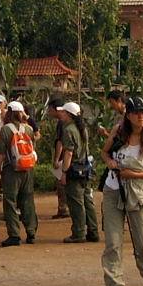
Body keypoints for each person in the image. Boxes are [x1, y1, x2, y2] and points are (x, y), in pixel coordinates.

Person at [99, 96, 143, 286]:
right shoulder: (118, 132)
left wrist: (134, 175)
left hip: (139, 193)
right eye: (136, 112)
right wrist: (110, 163)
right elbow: (105, 153)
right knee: (113, 242)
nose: (141, 116)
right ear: (128, 115)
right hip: (113, 189)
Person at [58, 101, 99, 243]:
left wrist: (64, 172)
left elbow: (68, 153)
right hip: (85, 168)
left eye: (63, 112)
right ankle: (93, 230)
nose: (61, 114)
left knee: (76, 203)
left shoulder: (68, 130)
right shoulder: (82, 128)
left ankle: (79, 232)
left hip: (74, 169)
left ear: (69, 114)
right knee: (87, 200)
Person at [0, 101, 37, 246]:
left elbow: (1, 153)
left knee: (10, 201)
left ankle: (14, 234)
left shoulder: (5, 129)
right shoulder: (28, 129)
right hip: (28, 169)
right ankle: (31, 232)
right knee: (27, 200)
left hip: (12, 169)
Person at [47, 95, 71, 220]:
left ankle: (63, 208)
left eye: (50, 109)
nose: (49, 112)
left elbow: (60, 142)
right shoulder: (68, 121)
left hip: (64, 157)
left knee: (61, 183)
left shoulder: (61, 122)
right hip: (69, 156)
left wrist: (56, 159)